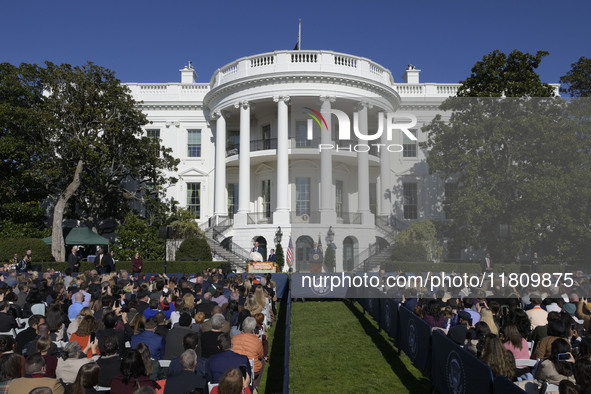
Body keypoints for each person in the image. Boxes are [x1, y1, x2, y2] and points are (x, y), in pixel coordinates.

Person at [231, 317, 264, 383]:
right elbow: (261, 355)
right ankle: (255, 385)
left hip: (235, 367)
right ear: (253, 330)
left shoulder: (234, 338)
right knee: (262, 361)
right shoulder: (257, 341)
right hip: (252, 369)